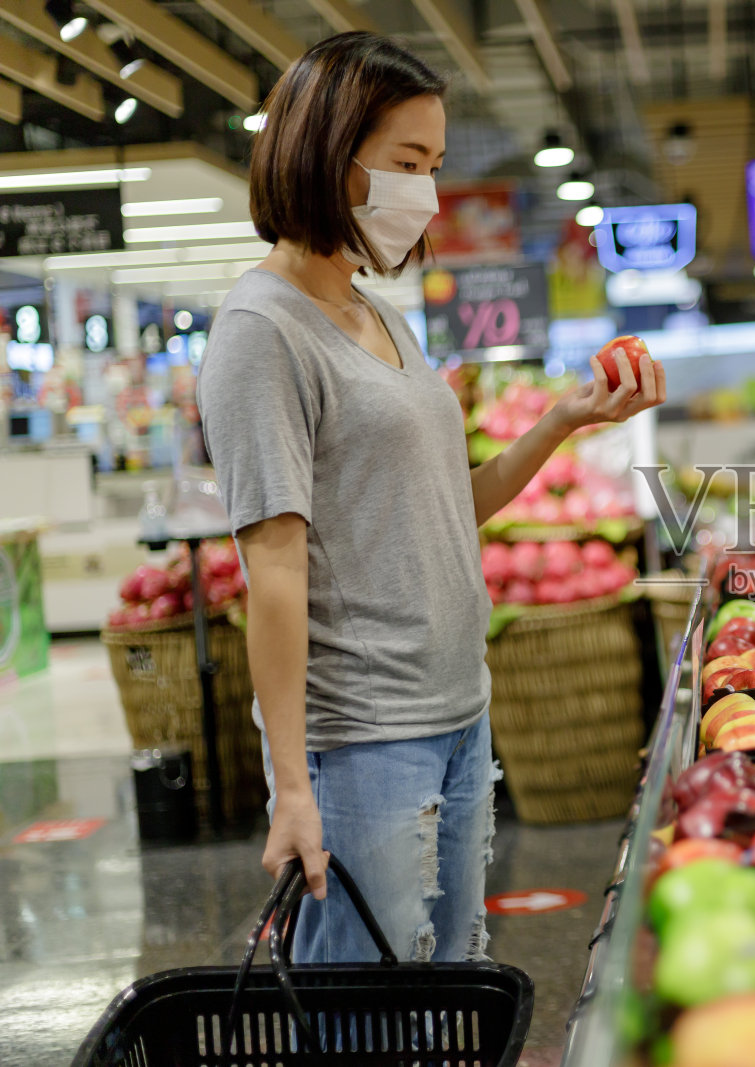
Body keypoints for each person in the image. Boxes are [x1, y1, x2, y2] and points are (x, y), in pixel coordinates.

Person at [197, 32, 664, 964]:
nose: (429, 193)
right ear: (327, 153)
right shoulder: (261, 333)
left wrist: (563, 420)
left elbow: (446, 505)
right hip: (365, 739)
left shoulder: (381, 318)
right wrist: (293, 783)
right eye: (407, 163)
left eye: (436, 165)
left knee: (440, 994)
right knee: (369, 1018)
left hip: (456, 711)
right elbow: (275, 571)